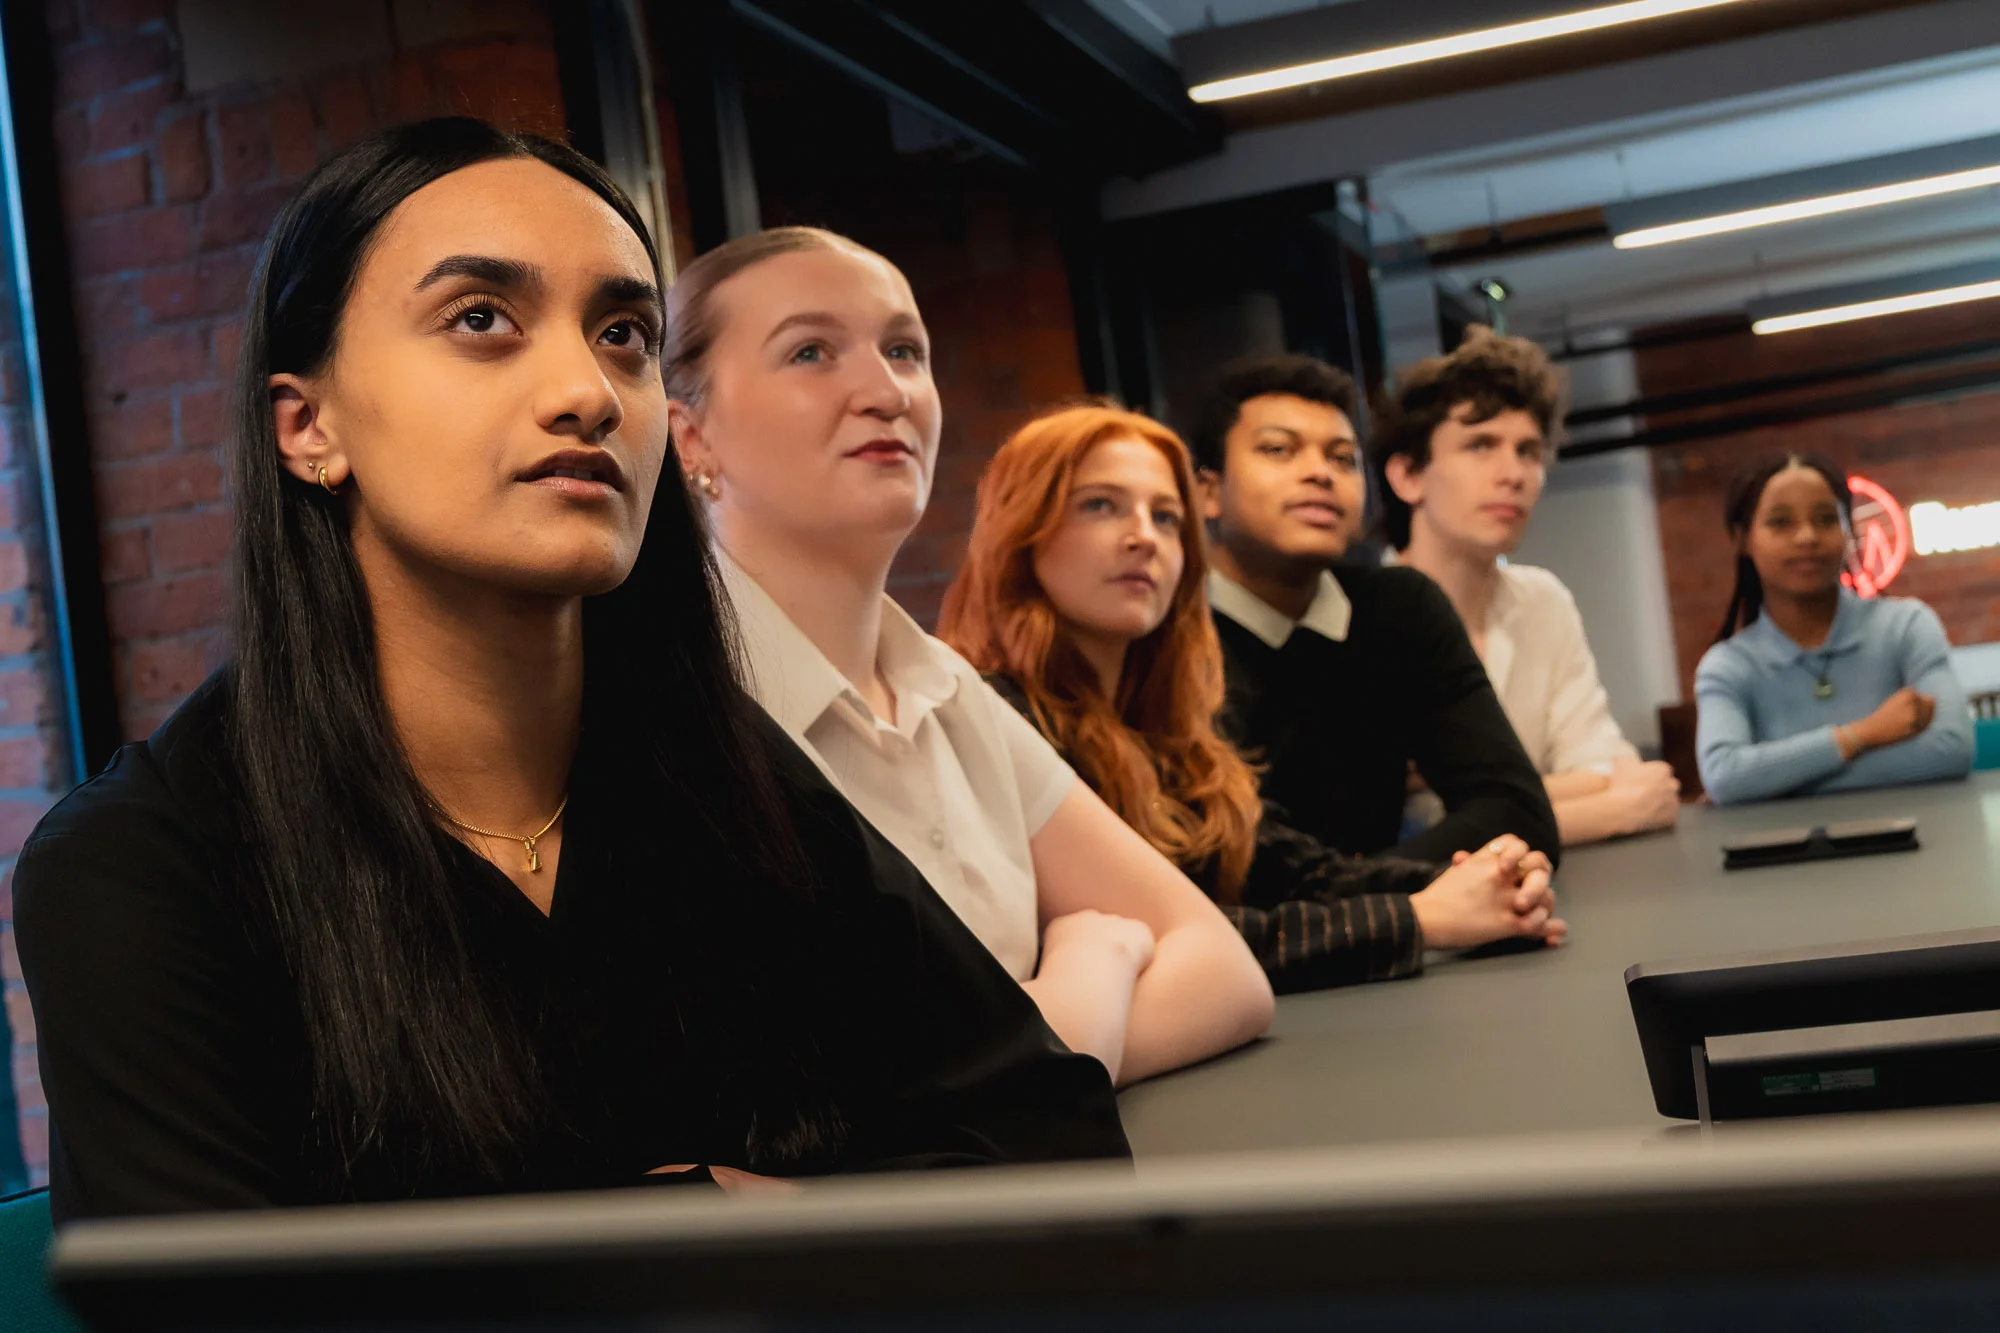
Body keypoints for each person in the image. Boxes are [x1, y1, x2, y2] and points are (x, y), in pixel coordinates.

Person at [13, 120, 1129, 1223]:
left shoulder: (725, 778)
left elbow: (1052, 1140)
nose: (587, 390)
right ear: (307, 426)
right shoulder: (142, 867)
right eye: (481, 318)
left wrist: (747, 1214)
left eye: (625, 334)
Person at [665, 227, 1273, 1086]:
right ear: (689, 438)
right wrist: (1090, 963)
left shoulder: (952, 692)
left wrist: (1031, 1078)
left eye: (905, 350)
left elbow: (1226, 972)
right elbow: (839, 1115)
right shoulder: (677, 717)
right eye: (810, 351)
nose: (886, 391)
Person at [938, 403, 1566, 993]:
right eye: (1100, 505)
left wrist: (1479, 882)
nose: (1143, 538)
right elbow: (1179, 941)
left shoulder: (1163, 724)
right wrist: (1420, 919)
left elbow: (1291, 871)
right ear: (1022, 533)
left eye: (1165, 517)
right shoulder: (998, 718)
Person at [1189, 354, 1561, 864]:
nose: (1319, 473)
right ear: (1207, 492)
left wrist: (1388, 903)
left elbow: (1516, 812)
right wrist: (1407, 902)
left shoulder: (1399, 609)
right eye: (1279, 450)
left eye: (1342, 458)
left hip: (1413, 935)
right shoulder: (1170, 639)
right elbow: (1228, 864)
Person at [1374, 328, 1680, 847]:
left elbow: (1609, 763)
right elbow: (1413, 830)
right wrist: (1611, 809)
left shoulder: (1542, 602)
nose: (1512, 473)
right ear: (1408, 476)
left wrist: (1486, 805)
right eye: (1480, 445)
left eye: (1529, 452)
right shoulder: (1360, 621)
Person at [1695, 454, 1972, 804]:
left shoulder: (1907, 626)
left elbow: (1950, 749)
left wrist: (1773, 782)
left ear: (1847, 530)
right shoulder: (1727, 666)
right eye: (1781, 523)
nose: (1807, 536)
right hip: (1784, 856)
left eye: (1826, 519)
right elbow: (1725, 775)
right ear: (1742, 539)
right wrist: (1863, 734)